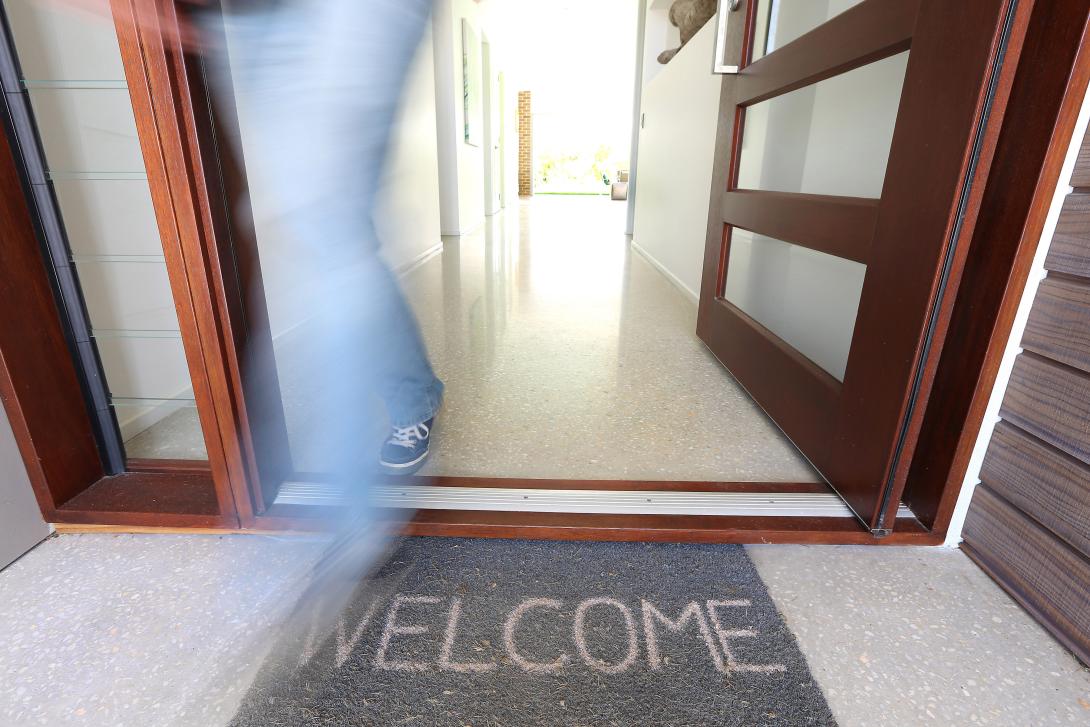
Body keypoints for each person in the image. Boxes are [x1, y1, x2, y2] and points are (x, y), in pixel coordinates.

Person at [201, 0, 444, 476]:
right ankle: (414, 398)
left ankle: (348, 512)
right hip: (250, 14)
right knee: (316, 227)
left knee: (330, 227)